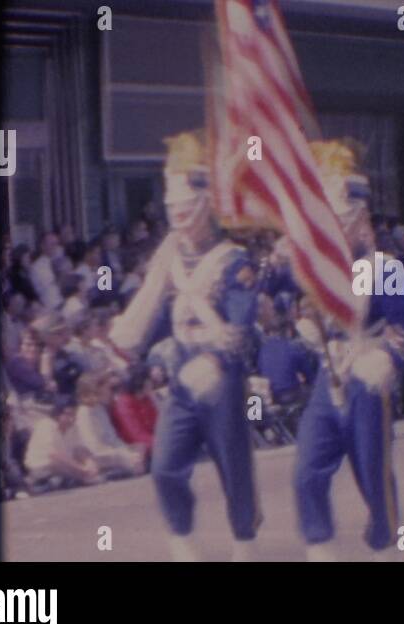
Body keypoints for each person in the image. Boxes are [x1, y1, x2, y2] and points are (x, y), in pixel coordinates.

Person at [109, 130, 261, 562]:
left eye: (185, 204)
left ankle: (244, 544)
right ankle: (182, 540)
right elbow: (159, 318)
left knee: (234, 466)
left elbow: (240, 321)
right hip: (180, 378)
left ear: (206, 205)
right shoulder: (170, 257)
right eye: (172, 204)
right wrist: (132, 350)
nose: (177, 212)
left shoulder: (233, 259)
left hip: (222, 377)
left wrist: (215, 359)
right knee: (165, 466)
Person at [293, 140, 404, 561]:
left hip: (367, 377)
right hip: (329, 383)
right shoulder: (317, 271)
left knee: (372, 471)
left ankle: (386, 547)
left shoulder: (385, 269)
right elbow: (297, 312)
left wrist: (386, 361)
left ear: (360, 217)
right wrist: (305, 324)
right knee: (307, 471)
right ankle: (321, 550)